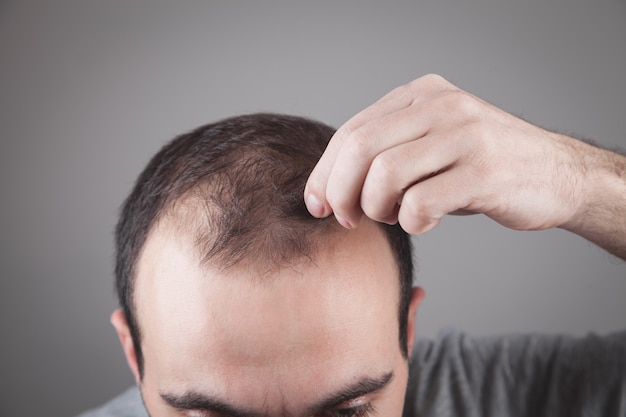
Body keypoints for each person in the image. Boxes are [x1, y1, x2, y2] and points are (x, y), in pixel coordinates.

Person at [78, 74, 626, 417]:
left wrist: (583, 183)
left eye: (347, 414)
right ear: (134, 353)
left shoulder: (507, 398)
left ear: (406, 335)